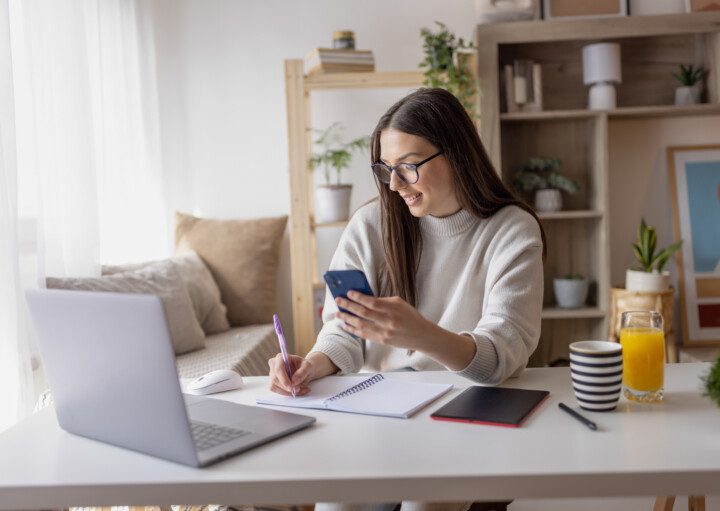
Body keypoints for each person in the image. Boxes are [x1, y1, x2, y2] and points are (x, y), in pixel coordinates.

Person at [268, 87, 546, 511]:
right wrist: (312, 364)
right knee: (335, 503)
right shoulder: (370, 224)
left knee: (425, 503)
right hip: (379, 415)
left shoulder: (512, 231)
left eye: (409, 167)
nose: (395, 184)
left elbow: (503, 356)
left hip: (466, 414)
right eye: (385, 169)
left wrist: (423, 335)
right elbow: (344, 329)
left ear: (456, 153)